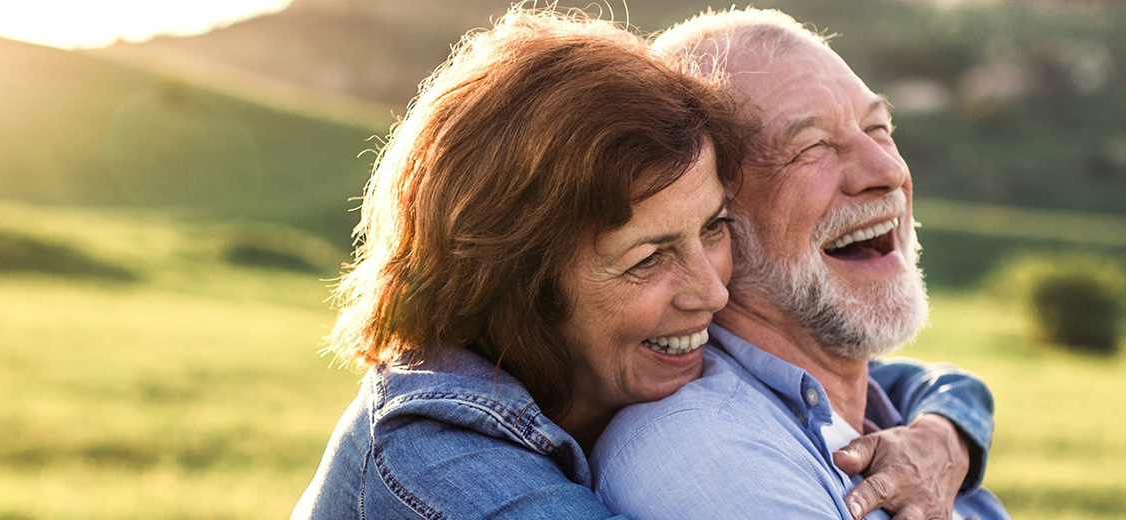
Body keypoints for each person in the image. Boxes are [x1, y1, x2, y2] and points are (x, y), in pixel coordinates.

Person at [293, 7, 994, 519]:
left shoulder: (614, 366)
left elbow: (903, 381)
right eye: (649, 258)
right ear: (522, 284)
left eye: (714, 227)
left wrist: (946, 433)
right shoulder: (439, 458)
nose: (711, 291)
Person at [593, 9, 1011, 520]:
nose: (888, 171)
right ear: (708, 212)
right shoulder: (710, 452)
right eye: (810, 146)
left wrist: (949, 423)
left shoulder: (893, 421)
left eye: (877, 128)